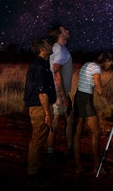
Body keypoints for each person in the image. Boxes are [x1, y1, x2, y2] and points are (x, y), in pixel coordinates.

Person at [73, 51, 113, 175]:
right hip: (86, 100)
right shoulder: (96, 68)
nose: (109, 67)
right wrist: (111, 80)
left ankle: (78, 167)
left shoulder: (87, 64)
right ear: (106, 61)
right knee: (96, 132)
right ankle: (97, 167)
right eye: (110, 64)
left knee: (77, 134)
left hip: (78, 97)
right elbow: (100, 90)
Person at [24, 37, 57, 187]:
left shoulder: (42, 64)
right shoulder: (39, 66)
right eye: (48, 44)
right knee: (37, 141)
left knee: (39, 140)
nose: (51, 46)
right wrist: (47, 114)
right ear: (42, 49)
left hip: (40, 107)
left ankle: (35, 170)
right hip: (39, 107)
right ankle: (32, 174)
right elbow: (42, 93)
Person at [46, 24, 74, 162]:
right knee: (56, 121)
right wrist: (63, 96)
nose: (68, 30)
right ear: (60, 34)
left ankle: (69, 149)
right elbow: (57, 71)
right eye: (65, 30)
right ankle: (50, 153)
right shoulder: (59, 49)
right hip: (58, 92)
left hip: (59, 90)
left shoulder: (59, 49)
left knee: (69, 118)